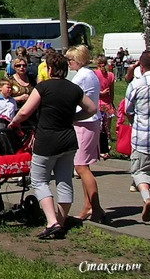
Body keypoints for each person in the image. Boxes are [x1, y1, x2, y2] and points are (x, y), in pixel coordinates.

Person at [8, 53, 98, 239]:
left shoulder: (43, 87)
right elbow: (92, 109)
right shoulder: (74, 89)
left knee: (39, 180)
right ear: (65, 69)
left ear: (49, 69)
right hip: (69, 140)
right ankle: (62, 221)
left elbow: (25, 111)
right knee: (64, 180)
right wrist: (74, 117)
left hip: (47, 140)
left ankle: (52, 222)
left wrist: (14, 122)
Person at [67, 45, 105, 222]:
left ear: (79, 60)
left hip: (85, 123)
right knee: (83, 166)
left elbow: (69, 94)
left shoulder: (82, 76)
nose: (69, 63)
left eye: (70, 60)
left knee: (81, 167)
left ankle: (96, 208)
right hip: (88, 121)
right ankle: (88, 205)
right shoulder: (89, 74)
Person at [124, 50, 150, 223]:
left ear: (141, 67)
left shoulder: (136, 84)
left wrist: (133, 120)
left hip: (142, 136)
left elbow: (128, 109)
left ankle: (146, 197)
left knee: (139, 171)